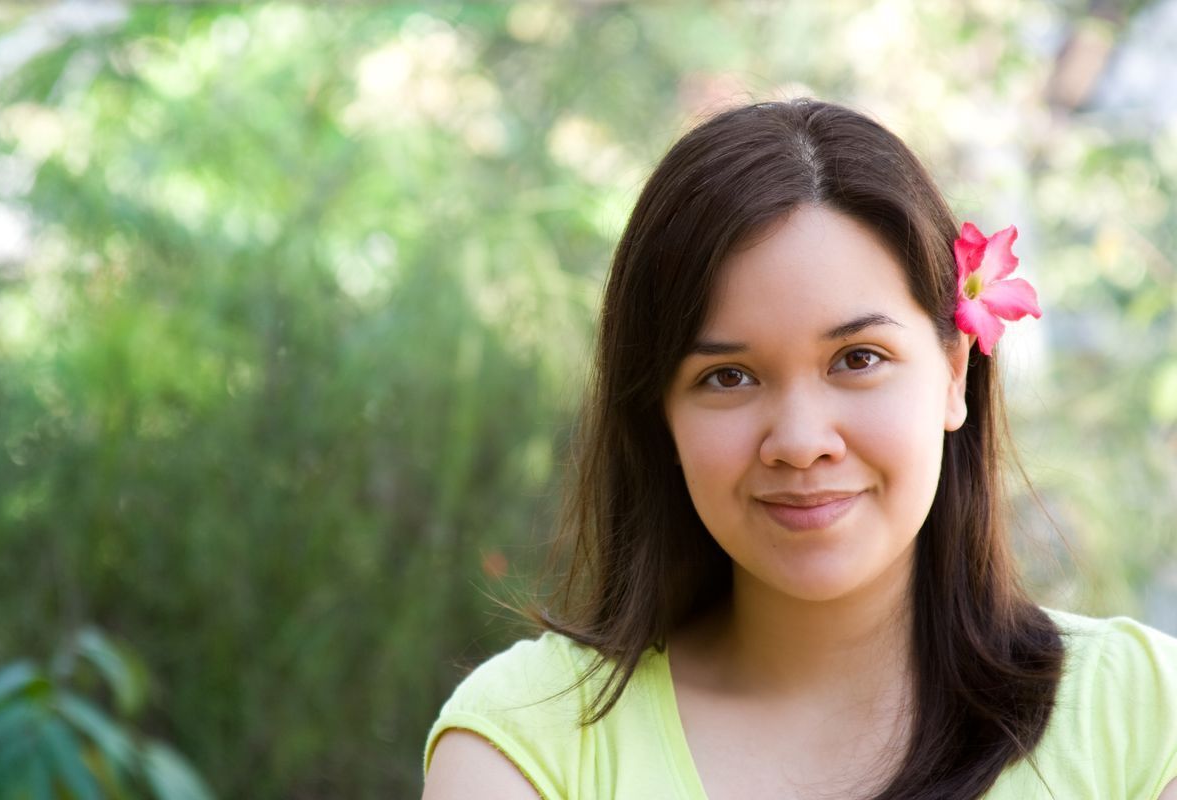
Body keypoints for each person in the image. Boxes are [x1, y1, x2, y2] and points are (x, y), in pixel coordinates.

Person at [420, 99, 1177, 799]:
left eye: (858, 359)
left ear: (954, 374)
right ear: (662, 418)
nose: (801, 443)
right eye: (727, 376)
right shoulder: (527, 746)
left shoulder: (1143, 715)